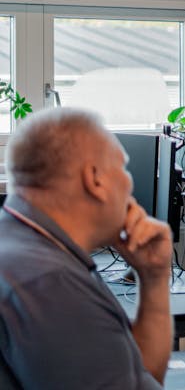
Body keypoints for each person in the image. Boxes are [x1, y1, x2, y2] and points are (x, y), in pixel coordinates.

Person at [0, 107, 174, 389]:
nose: (129, 183)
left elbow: (139, 378)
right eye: (122, 167)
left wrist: (153, 278)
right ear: (95, 179)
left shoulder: (23, 245)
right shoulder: (52, 285)